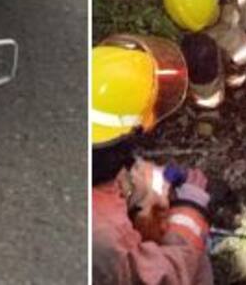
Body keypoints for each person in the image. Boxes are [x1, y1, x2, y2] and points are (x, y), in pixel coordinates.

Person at [91, 33, 214, 285]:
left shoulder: (97, 154)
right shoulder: (106, 240)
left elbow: (118, 177)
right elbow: (166, 275)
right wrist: (190, 210)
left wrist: (157, 178)